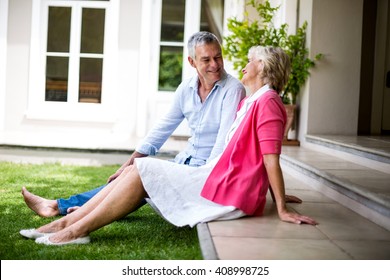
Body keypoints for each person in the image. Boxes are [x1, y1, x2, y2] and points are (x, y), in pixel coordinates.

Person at [20, 46, 317, 245]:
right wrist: (270, 189)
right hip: (220, 179)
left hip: (225, 189)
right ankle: (66, 224)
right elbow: (256, 159)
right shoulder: (255, 101)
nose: (244, 65)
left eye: (251, 60)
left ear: (262, 66)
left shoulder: (268, 103)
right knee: (139, 168)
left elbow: (269, 158)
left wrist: (280, 207)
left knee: (142, 170)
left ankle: (73, 228)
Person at [21, 31, 247, 218]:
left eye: (217, 57)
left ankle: (67, 208)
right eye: (206, 60)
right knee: (132, 174)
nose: (215, 64)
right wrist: (125, 166)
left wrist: (200, 180)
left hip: (205, 171)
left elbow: (222, 147)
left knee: (142, 175)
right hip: (184, 162)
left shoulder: (232, 89)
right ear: (192, 62)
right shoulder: (186, 89)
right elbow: (160, 131)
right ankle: (69, 207)